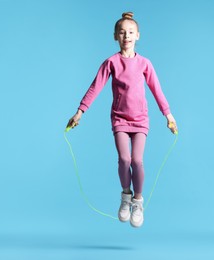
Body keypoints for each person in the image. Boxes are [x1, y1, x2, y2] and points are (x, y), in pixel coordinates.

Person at [66, 12, 178, 228]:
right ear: (115, 36)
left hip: (140, 120)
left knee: (137, 161)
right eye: (122, 32)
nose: (126, 35)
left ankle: (138, 201)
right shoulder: (111, 62)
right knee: (124, 160)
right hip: (120, 119)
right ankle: (126, 197)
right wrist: (80, 111)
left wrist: (169, 115)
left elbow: (157, 90)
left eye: (130, 32)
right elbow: (95, 87)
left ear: (138, 36)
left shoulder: (145, 63)